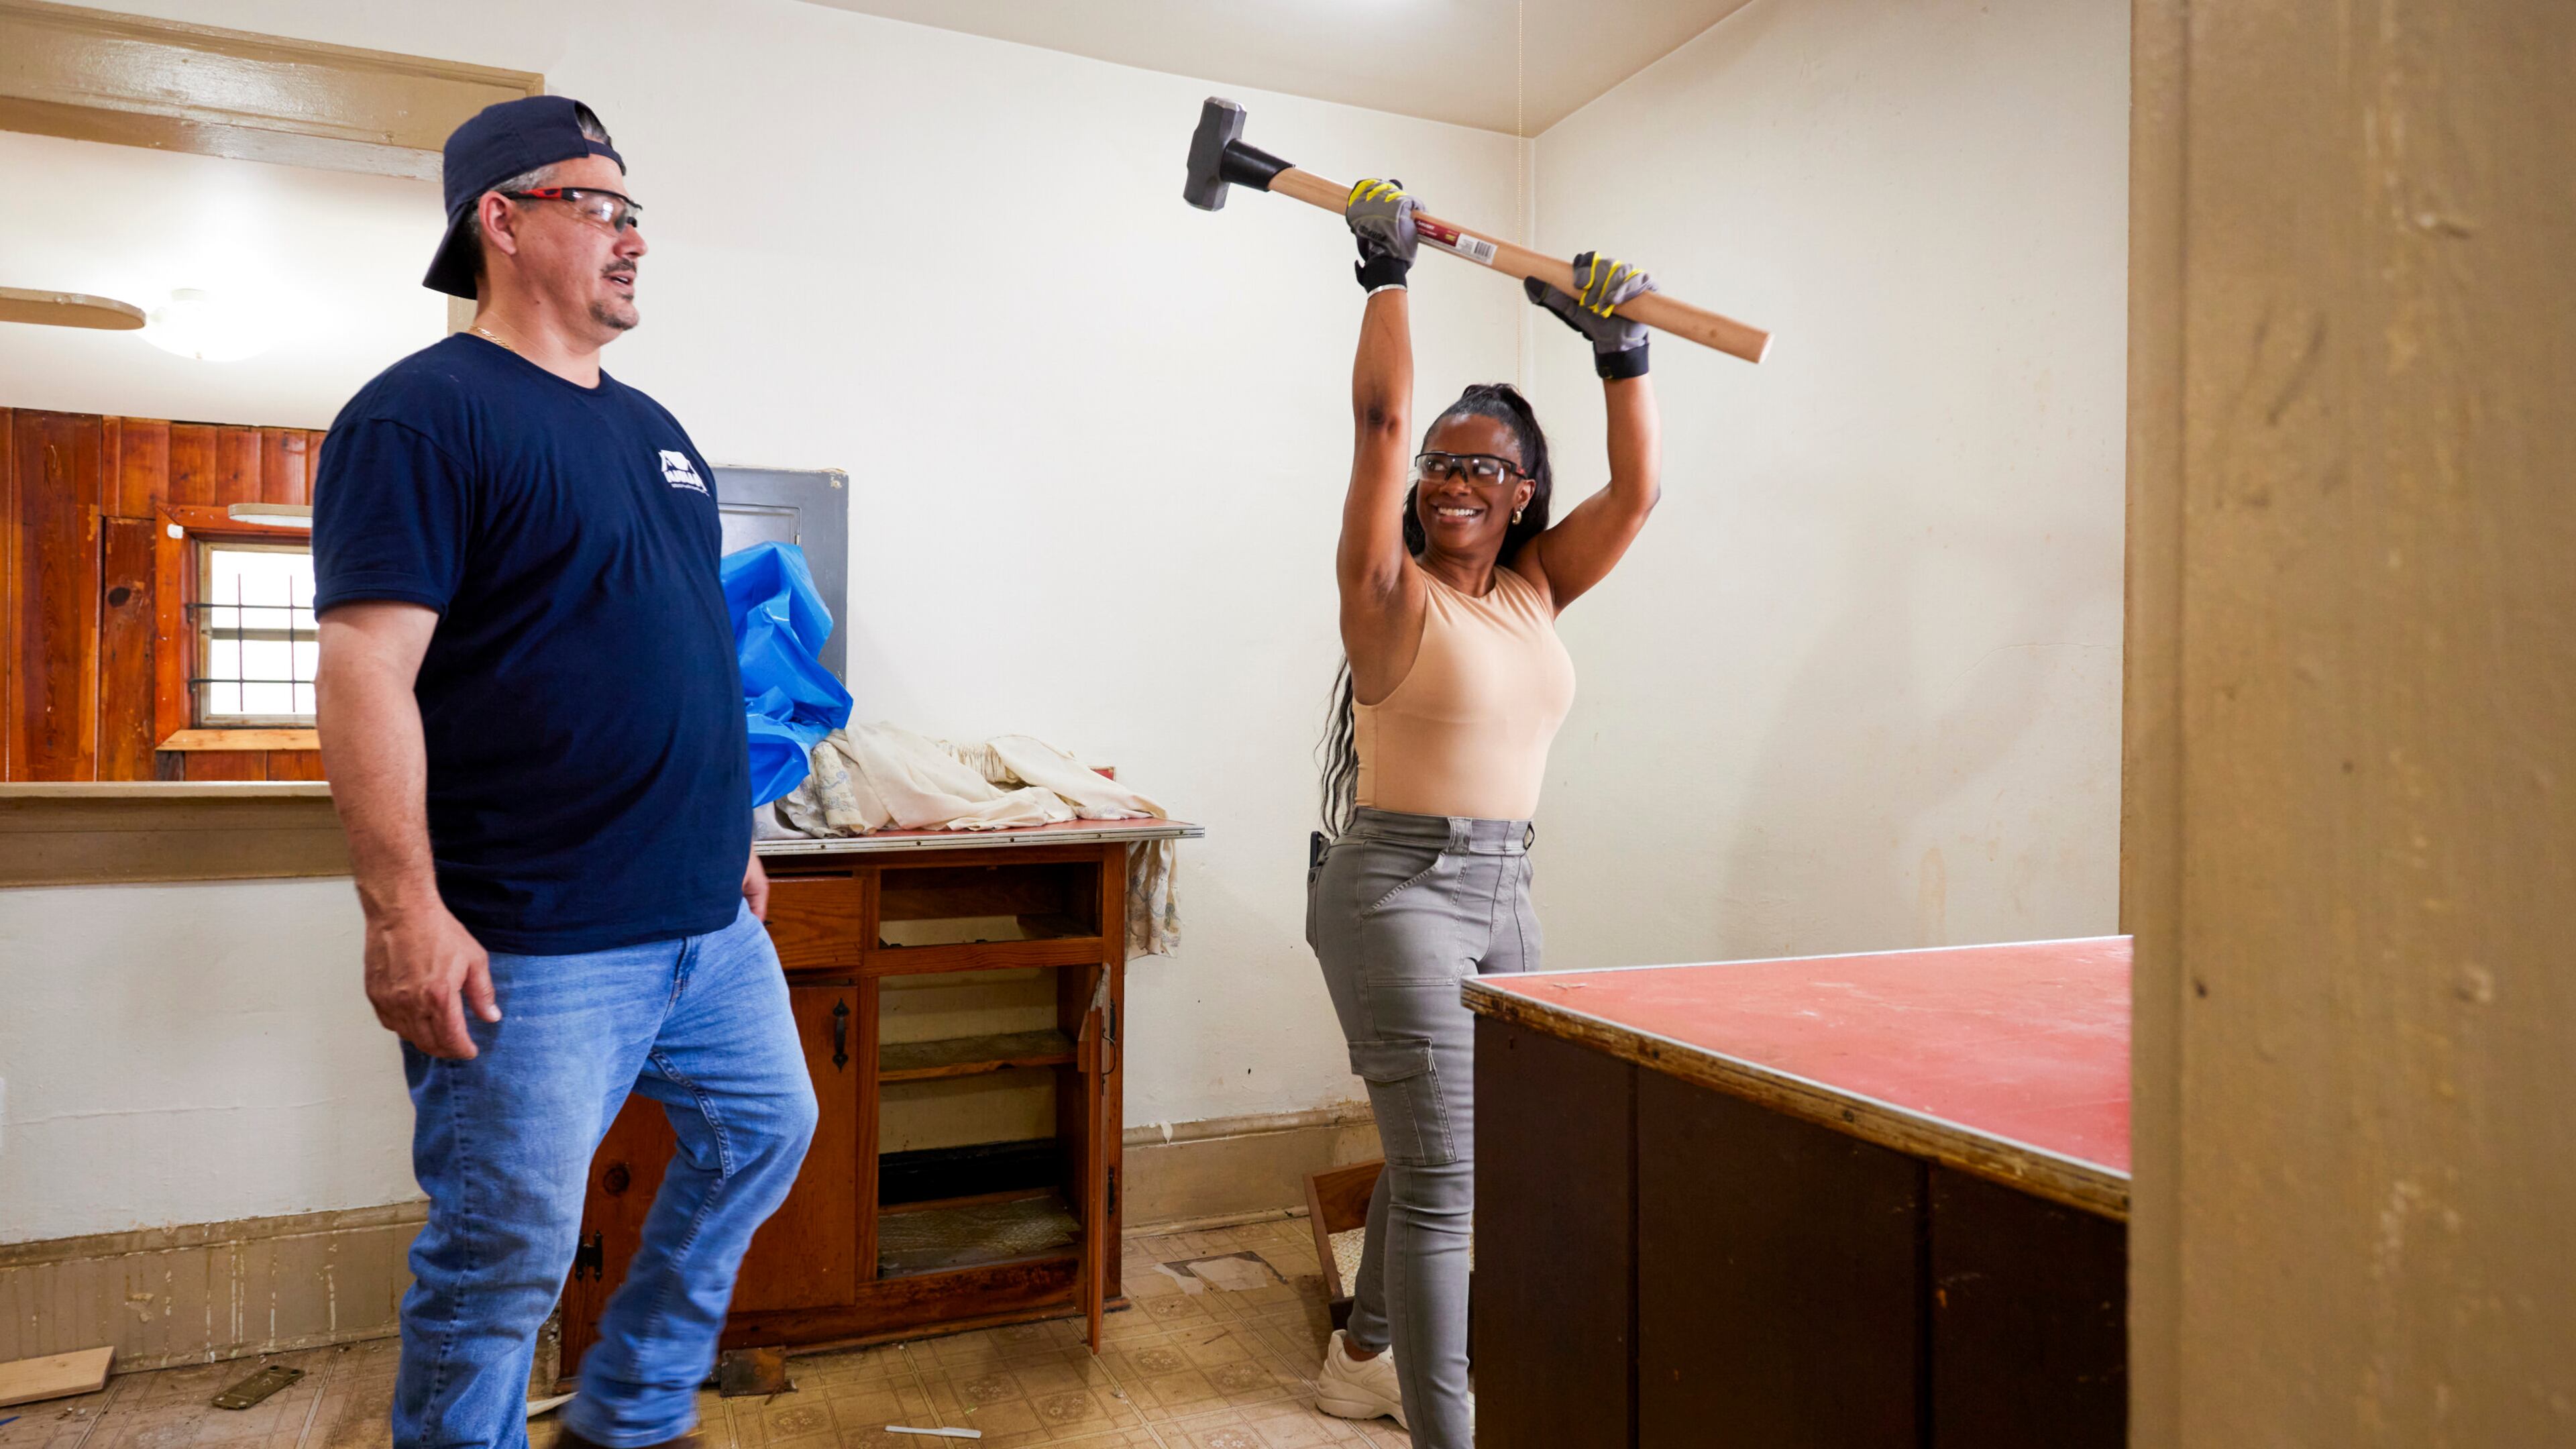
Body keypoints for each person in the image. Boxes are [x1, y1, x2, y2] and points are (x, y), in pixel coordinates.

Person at [311, 96, 815, 1449]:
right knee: (503, 1265)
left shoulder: (657, 432)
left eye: (636, 213)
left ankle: (628, 1410)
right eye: (602, 208)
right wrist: (402, 911)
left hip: (705, 921)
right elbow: (366, 670)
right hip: (532, 940)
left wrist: (734, 827)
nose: (633, 238)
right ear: (503, 219)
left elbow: (683, 644)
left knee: (765, 1131)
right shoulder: (421, 417)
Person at [1304, 179, 1664, 1445]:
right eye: (1444, 464)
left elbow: (1637, 495)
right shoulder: (1387, 590)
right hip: (1397, 891)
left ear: (1522, 494)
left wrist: (1621, 353)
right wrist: (1387, 275)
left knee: (1456, 1154)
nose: (1456, 480)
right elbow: (1380, 422)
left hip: (1507, 888)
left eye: (1487, 468)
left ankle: (1362, 1355)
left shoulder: (1533, 589)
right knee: (1450, 1187)